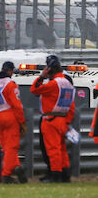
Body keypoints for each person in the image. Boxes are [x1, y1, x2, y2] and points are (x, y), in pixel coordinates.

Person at [30, 55, 76, 183]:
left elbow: (34, 90)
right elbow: (72, 106)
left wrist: (41, 76)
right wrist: (67, 122)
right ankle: (65, 175)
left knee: (53, 149)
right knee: (62, 149)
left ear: (50, 70)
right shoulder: (67, 83)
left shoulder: (53, 84)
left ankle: (55, 175)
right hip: (63, 120)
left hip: (50, 119)